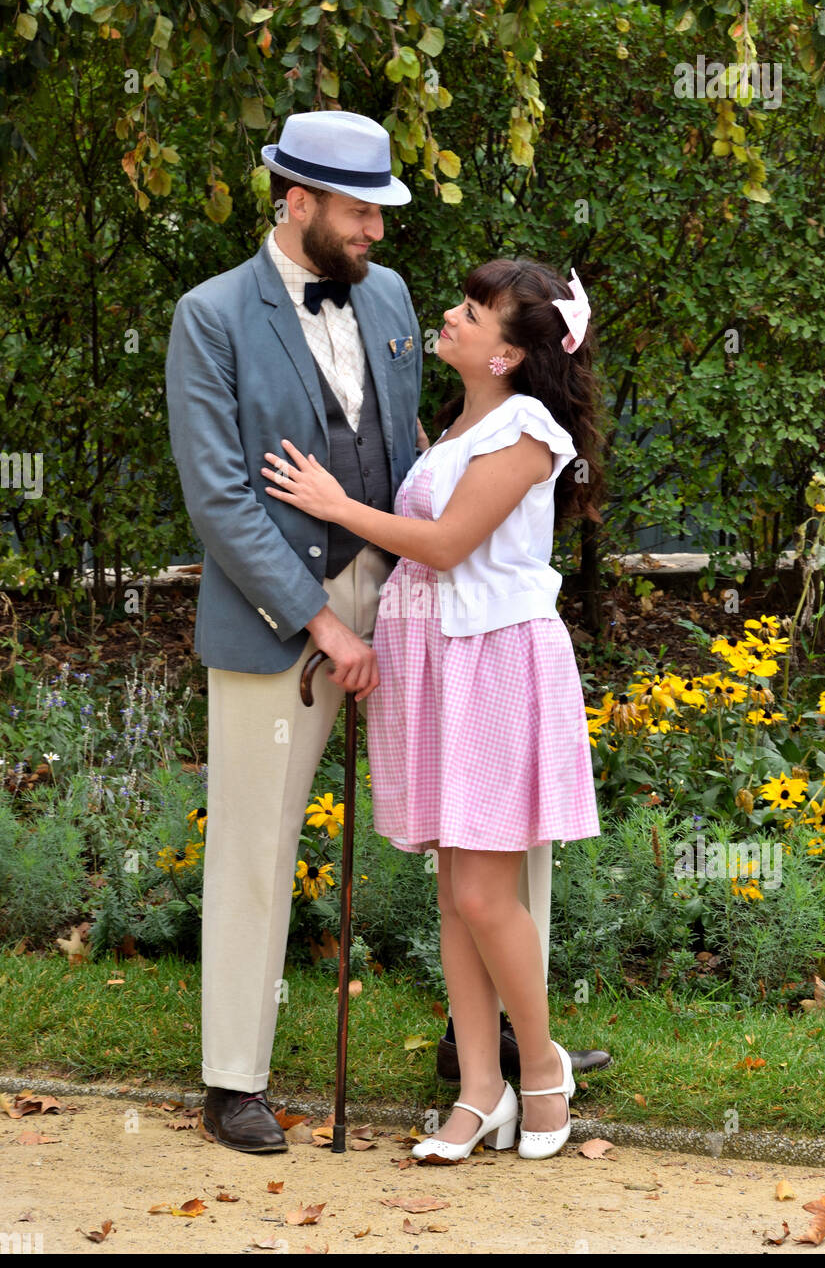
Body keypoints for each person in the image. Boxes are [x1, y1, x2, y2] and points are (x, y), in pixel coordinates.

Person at [166, 110, 602, 1156]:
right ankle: (235, 1076)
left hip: (423, 603)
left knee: (487, 833)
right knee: (257, 837)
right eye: (360, 211)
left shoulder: (397, 300)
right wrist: (320, 616)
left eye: (379, 210)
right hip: (281, 611)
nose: (374, 231)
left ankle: (496, 1051)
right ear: (298, 200)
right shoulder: (209, 316)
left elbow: (427, 447)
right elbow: (220, 498)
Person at [262, 256, 605, 1161]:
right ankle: (480, 1092)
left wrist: (338, 505)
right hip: (442, 665)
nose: (447, 315)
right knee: (456, 892)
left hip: (492, 664)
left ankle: (542, 1070)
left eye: (471, 310)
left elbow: (450, 546)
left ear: (506, 354)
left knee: (487, 895)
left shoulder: (529, 428)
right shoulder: (463, 425)